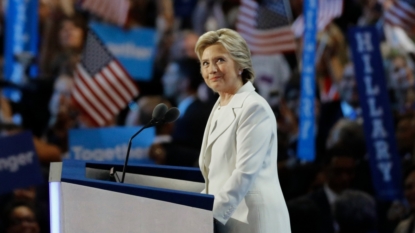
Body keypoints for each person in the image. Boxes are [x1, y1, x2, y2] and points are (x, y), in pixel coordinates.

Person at [195, 28, 291, 233]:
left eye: (220, 60)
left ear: (240, 65)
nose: (211, 69)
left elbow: (244, 174)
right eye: (205, 63)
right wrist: (190, 208)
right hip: (229, 220)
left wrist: (206, 215)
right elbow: (216, 178)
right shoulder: (219, 105)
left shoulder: (254, 107)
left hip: (253, 222)